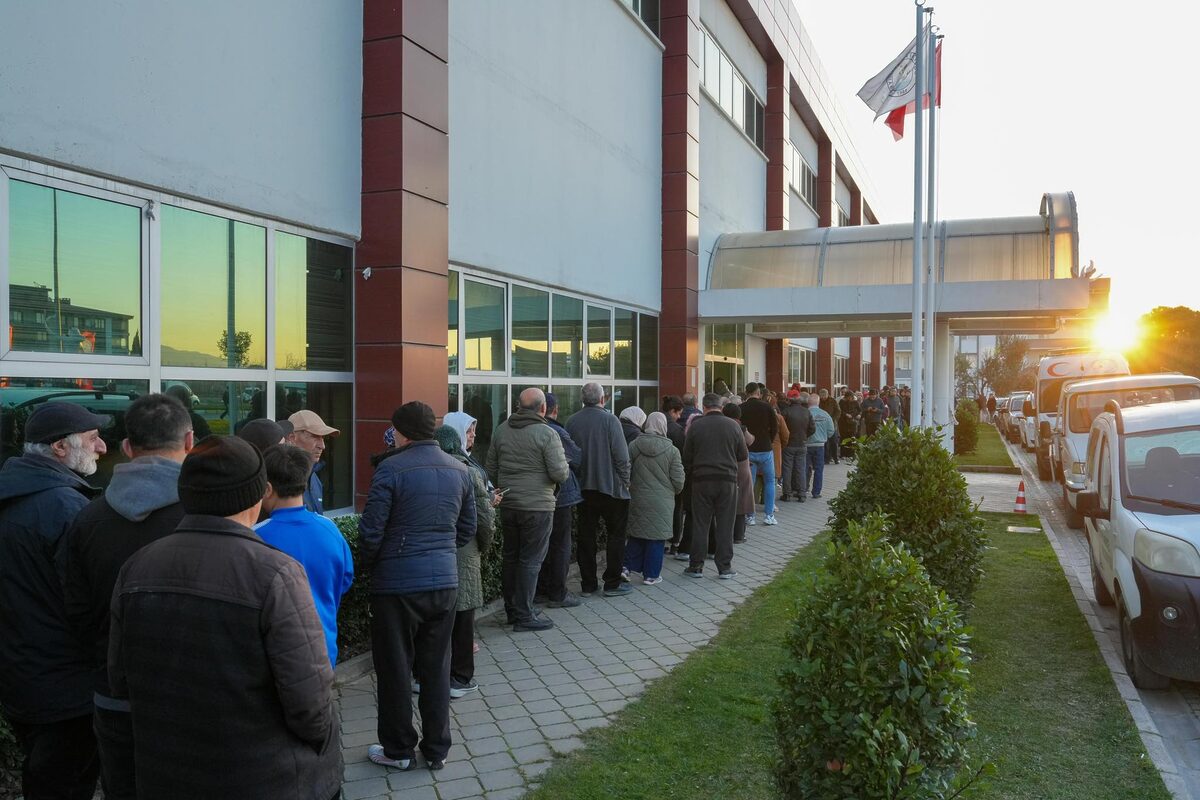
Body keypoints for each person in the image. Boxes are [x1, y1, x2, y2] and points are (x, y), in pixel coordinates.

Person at [108, 436, 341, 799]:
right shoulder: (275, 573)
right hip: (264, 777)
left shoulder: (137, 566)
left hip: (166, 772)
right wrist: (322, 743)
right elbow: (309, 700)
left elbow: (119, 678)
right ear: (258, 493)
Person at [62, 395, 193, 800]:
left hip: (113, 695)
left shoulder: (86, 518)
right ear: (189, 442)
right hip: (193, 701)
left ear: (127, 448)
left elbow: (76, 611)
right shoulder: (205, 518)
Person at [0, 402, 109, 800]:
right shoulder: (65, 508)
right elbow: (87, 603)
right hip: (66, 687)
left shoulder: (16, 493)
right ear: (61, 448)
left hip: (23, 675)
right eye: (94, 438)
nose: (102, 447)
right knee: (63, 783)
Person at [360, 402, 476, 771]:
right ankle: (437, 749)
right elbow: (466, 530)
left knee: (395, 668)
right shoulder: (460, 469)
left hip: (396, 585)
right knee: (436, 667)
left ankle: (397, 751)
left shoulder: (390, 469)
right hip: (444, 582)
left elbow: (371, 533)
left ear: (401, 432)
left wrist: (372, 564)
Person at [255, 444, 354, 667]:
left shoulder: (255, 536)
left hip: (273, 654)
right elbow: (344, 580)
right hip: (323, 649)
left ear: (267, 488)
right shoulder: (331, 530)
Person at [485, 388, 569, 632]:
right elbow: (560, 473)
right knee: (531, 561)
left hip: (509, 505)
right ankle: (524, 614)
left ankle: (513, 610)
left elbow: (490, 469)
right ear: (543, 408)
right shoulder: (547, 433)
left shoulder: (502, 430)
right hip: (538, 507)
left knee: (511, 559)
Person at [433, 424, 494, 696]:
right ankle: (460, 678)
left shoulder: (427, 470)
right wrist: (485, 545)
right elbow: (484, 517)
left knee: (436, 619)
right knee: (463, 617)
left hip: (434, 555)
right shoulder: (468, 471)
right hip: (465, 552)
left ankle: (428, 676)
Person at [565, 383, 633, 597]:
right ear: (603, 399)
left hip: (583, 488)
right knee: (616, 536)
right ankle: (612, 582)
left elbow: (569, 457)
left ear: (582, 399)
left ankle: (588, 584)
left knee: (586, 537)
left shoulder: (572, 421)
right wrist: (625, 481)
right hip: (611, 488)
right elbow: (622, 457)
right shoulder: (611, 420)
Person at [681, 393, 747, 579]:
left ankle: (696, 566)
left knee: (701, 524)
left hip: (701, 481)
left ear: (704, 406)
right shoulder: (733, 426)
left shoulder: (696, 426)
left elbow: (687, 456)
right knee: (725, 524)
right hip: (727, 481)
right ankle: (724, 567)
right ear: (721, 406)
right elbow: (742, 455)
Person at [624, 412, 685, 585]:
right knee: (656, 538)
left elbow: (626, 469)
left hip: (638, 497)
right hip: (662, 501)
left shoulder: (634, 445)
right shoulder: (672, 451)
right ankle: (651, 575)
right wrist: (671, 491)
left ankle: (626, 567)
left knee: (636, 534)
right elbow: (679, 481)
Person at [536, 393, 583, 609]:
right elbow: (576, 458)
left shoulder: (517, 429)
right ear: (552, 410)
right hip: (560, 496)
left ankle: (540, 590)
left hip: (534, 497)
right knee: (560, 545)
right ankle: (557, 592)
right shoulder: (556, 432)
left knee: (540, 546)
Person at [739, 382, 778, 526]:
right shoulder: (767, 407)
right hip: (765, 448)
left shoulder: (741, 408)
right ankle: (769, 515)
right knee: (769, 482)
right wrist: (769, 440)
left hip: (748, 450)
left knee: (750, 483)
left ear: (746, 392)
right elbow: (774, 427)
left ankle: (750, 516)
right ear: (758, 392)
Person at [287, 409, 340, 513]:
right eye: (314, 436)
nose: (322, 446)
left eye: (323, 438)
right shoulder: (280, 480)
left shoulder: (314, 478)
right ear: (292, 438)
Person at [722, 403, 755, 545]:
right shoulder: (740, 427)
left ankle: (726, 533)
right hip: (741, 467)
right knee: (742, 501)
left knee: (726, 501)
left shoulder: (721, 425)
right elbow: (751, 440)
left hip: (724, 465)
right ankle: (739, 535)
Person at [661, 395, 688, 554]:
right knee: (677, 508)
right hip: (672, 476)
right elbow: (682, 456)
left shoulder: (651, 423)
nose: (679, 417)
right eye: (678, 414)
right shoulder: (677, 430)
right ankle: (675, 542)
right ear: (672, 411)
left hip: (655, 477)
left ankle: (660, 541)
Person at [779, 388, 815, 502]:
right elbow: (812, 428)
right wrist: (804, 436)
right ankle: (801, 494)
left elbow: (781, 429)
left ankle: (787, 494)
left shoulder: (786, 412)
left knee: (787, 469)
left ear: (789, 399)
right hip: (802, 443)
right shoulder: (806, 411)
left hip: (789, 444)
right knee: (801, 469)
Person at [804, 394, 836, 501]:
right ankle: (816, 492)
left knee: (805, 468)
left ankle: (803, 489)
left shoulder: (805, 413)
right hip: (820, 446)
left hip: (806, 445)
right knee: (819, 469)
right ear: (818, 402)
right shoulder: (825, 414)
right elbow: (831, 430)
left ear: (808, 403)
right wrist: (824, 437)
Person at [818, 388, 842, 464]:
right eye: (821, 396)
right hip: (822, 424)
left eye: (824, 396)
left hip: (832, 423)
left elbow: (838, 411)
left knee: (834, 442)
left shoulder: (833, 401)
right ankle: (826, 458)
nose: (823, 397)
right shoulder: (818, 401)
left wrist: (833, 419)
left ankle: (835, 457)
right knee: (825, 442)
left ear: (827, 394)